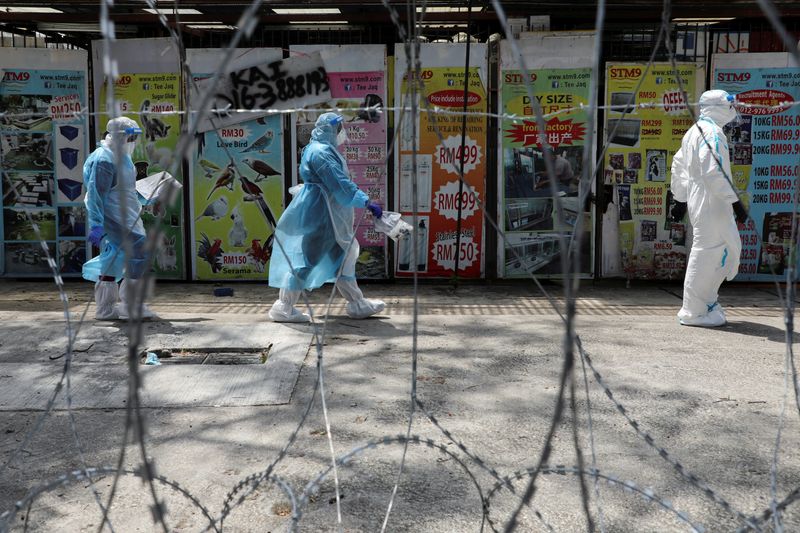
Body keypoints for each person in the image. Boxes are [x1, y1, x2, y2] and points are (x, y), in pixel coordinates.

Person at [268, 112, 385, 322]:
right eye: (339, 128)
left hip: (326, 213)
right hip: (324, 216)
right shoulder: (322, 152)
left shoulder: (317, 148)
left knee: (343, 259)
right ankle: (283, 306)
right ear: (332, 129)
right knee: (309, 259)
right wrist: (366, 201)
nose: (342, 132)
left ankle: (357, 303)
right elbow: (339, 184)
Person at [670, 89, 747, 327]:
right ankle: (694, 311)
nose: (733, 111)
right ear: (719, 107)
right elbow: (714, 171)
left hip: (699, 200)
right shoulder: (712, 133)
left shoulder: (693, 131)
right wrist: (734, 201)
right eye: (730, 105)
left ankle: (704, 303)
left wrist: (680, 199)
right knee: (709, 254)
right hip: (713, 202)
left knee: (709, 251)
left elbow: (678, 166)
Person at [83, 116, 158, 320]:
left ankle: (106, 309)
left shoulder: (121, 156)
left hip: (127, 214)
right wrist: (96, 225)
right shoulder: (104, 160)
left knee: (113, 260)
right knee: (138, 254)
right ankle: (130, 307)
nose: (133, 143)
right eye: (131, 138)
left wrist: (148, 196)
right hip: (114, 217)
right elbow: (96, 194)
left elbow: (125, 189)